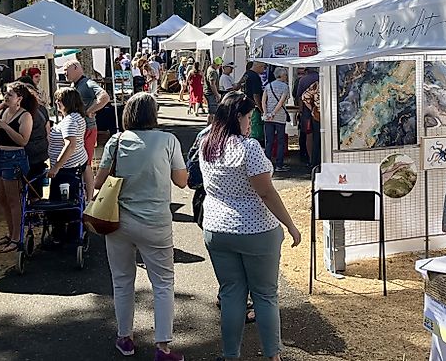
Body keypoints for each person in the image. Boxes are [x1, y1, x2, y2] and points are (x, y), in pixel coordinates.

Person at [199, 92, 301, 361]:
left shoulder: (206, 142)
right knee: (265, 295)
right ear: (238, 117)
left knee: (231, 293)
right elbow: (266, 193)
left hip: (217, 227)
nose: (249, 122)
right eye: (247, 117)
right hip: (255, 229)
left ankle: (230, 354)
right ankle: (272, 355)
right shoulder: (249, 148)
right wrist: (290, 225)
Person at [94, 93, 188, 361]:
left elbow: (100, 181)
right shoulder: (167, 141)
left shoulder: (117, 140)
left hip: (118, 221)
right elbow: (181, 181)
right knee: (162, 283)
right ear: (153, 114)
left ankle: (125, 338)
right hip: (156, 222)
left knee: (122, 280)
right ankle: (163, 346)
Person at [0, 82, 35, 253]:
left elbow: (23, 140)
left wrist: (5, 126)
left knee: (13, 200)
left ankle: (17, 237)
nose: (6, 97)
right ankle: (10, 233)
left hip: (14, 157)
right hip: (0, 156)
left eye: (10, 94)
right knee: (2, 199)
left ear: (19, 99)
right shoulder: (3, 111)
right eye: (6, 94)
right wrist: (2, 105)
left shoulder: (25, 116)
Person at [46, 87, 91, 244]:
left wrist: (56, 166)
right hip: (74, 165)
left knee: (61, 203)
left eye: (59, 100)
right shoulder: (77, 117)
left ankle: (62, 235)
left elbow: (70, 144)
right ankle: (71, 232)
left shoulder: (70, 120)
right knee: (72, 201)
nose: (57, 103)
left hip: (67, 169)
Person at [64, 59, 111, 164]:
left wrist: (90, 110)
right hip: (79, 130)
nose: (64, 73)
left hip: (87, 130)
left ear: (75, 67)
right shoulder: (76, 84)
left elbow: (105, 97)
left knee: (85, 163)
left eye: (66, 70)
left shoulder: (88, 83)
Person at [12, 75, 50, 201]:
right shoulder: (42, 109)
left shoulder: (23, 113)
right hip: (40, 153)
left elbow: (22, 138)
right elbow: (47, 132)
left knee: (25, 188)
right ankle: (36, 210)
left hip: (28, 154)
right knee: (36, 188)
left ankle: (29, 210)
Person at [262, 67, 290, 172]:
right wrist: (274, 113)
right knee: (280, 141)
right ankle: (279, 164)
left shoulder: (268, 86)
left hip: (268, 117)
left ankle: (267, 164)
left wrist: (266, 113)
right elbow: (282, 102)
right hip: (279, 117)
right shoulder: (285, 87)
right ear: (282, 75)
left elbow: (263, 100)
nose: (286, 77)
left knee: (268, 141)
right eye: (285, 75)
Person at [295, 67, 318, 166]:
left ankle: (310, 159)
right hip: (320, 111)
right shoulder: (321, 77)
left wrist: (301, 111)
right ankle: (319, 158)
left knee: (309, 135)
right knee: (319, 135)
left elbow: (300, 97)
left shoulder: (302, 80)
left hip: (307, 113)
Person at [241, 61, 267, 145]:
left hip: (246, 103)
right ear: (259, 66)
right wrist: (261, 108)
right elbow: (256, 95)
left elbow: (238, 85)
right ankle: (255, 144)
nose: (264, 70)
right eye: (263, 67)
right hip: (254, 106)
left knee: (248, 124)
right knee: (255, 126)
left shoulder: (246, 74)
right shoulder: (255, 77)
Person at [301, 79, 321, 168]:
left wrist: (312, 108)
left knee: (316, 139)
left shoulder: (316, 84)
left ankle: (315, 162)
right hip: (327, 114)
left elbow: (304, 96)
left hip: (317, 114)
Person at [204, 58, 222, 124]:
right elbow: (212, 84)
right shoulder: (213, 72)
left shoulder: (209, 69)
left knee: (211, 111)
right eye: (219, 65)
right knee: (213, 112)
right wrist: (217, 95)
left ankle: (209, 126)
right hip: (211, 93)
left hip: (208, 92)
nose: (219, 67)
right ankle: (211, 127)